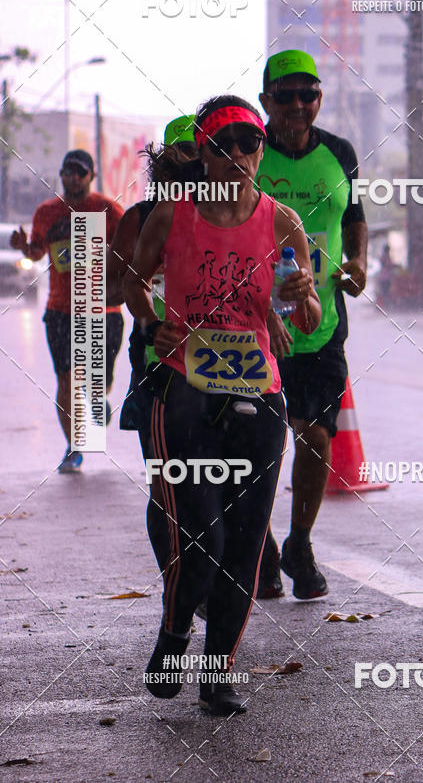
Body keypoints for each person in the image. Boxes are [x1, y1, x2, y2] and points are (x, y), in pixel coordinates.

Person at [123, 95, 320, 715]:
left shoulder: (283, 222)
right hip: (185, 391)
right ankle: (175, 631)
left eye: (249, 142)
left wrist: (301, 296)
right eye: (223, 144)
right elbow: (132, 280)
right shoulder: (173, 215)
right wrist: (151, 320)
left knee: (244, 545)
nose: (238, 154)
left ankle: (217, 675)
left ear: (261, 149)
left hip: (259, 395)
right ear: (204, 154)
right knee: (203, 537)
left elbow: (306, 316)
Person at [256, 49, 368, 600]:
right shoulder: (247, 152)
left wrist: (359, 262)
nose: (298, 105)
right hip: (252, 325)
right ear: (265, 101)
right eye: (286, 96)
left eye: (309, 94)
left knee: (316, 435)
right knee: (259, 444)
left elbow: (355, 217)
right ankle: (260, 548)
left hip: (320, 324)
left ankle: (299, 542)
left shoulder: (340, 153)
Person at [10, 149, 124, 473]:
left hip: (103, 311)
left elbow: (131, 249)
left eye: (80, 172)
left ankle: (97, 396)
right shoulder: (47, 212)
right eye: (67, 171)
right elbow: (37, 252)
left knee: (98, 380)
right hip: (61, 311)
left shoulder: (109, 210)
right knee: (66, 380)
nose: (73, 178)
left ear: (92, 176)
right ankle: (74, 447)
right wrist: (23, 247)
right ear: (61, 175)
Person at [106, 115, 197, 460]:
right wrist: (142, 277)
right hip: (156, 356)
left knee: (217, 470)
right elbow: (109, 291)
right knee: (162, 469)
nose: (189, 168)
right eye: (180, 156)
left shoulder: (231, 215)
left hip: (221, 358)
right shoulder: (140, 218)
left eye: (199, 157)